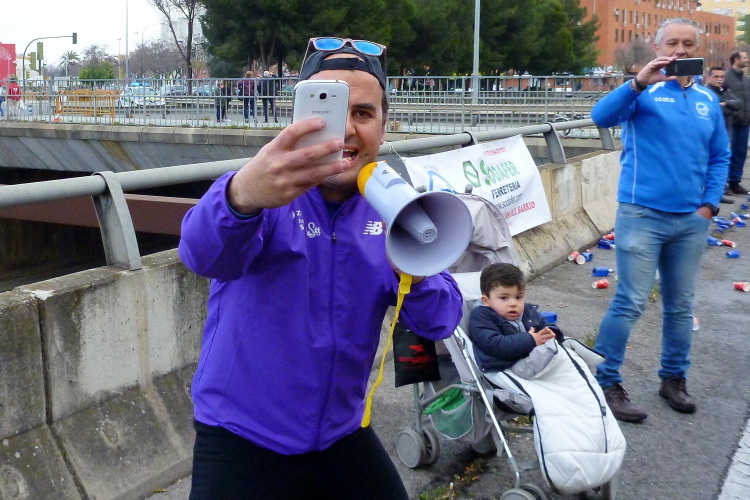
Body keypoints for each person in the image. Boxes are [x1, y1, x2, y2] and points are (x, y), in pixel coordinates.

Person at [178, 37, 463, 500]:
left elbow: (439, 321)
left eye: (364, 113)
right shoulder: (264, 192)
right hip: (241, 433)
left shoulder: (393, 209)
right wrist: (241, 196)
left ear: (384, 127)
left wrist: (415, 268)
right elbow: (201, 255)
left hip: (339, 432)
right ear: (297, 119)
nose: (346, 129)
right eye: (328, 110)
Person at [590, 18, 730, 423]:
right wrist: (637, 82)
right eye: (672, 43)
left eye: (688, 43)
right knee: (630, 301)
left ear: (697, 49)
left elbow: (719, 156)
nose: (680, 50)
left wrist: (709, 205)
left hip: (691, 220)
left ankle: (674, 378)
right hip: (642, 215)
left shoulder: (707, 99)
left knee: (681, 306)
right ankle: (606, 381)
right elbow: (601, 117)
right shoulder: (643, 91)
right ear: (657, 48)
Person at [468, 263, 562, 373]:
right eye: (504, 298)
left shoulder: (526, 311)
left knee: (568, 347)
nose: (513, 303)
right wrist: (530, 340)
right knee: (560, 360)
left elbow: (542, 322)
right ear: (486, 301)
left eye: (518, 297)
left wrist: (551, 333)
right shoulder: (482, 316)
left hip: (530, 356)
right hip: (506, 367)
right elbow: (494, 345)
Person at [705, 65, 740, 204]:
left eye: (721, 77)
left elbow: (738, 104)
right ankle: (710, 194)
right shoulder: (706, 93)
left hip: (725, 131)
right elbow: (717, 112)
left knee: (722, 161)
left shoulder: (724, 91)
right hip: (710, 134)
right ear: (708, 78)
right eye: (716, 76)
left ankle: (718, 191)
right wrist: (727, 107)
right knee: (711, 162)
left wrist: (725, 104)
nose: (719, 79)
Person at [722, 50, 750, 196]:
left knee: (740, 152)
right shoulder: (725, 77)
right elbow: (721, 96)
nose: (747, 60)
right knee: (726, 153)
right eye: (744, 57)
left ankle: (735, 182)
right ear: (736, 59)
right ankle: (722, 183)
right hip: (730, 122)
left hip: (745, 122)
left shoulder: (746, 80)